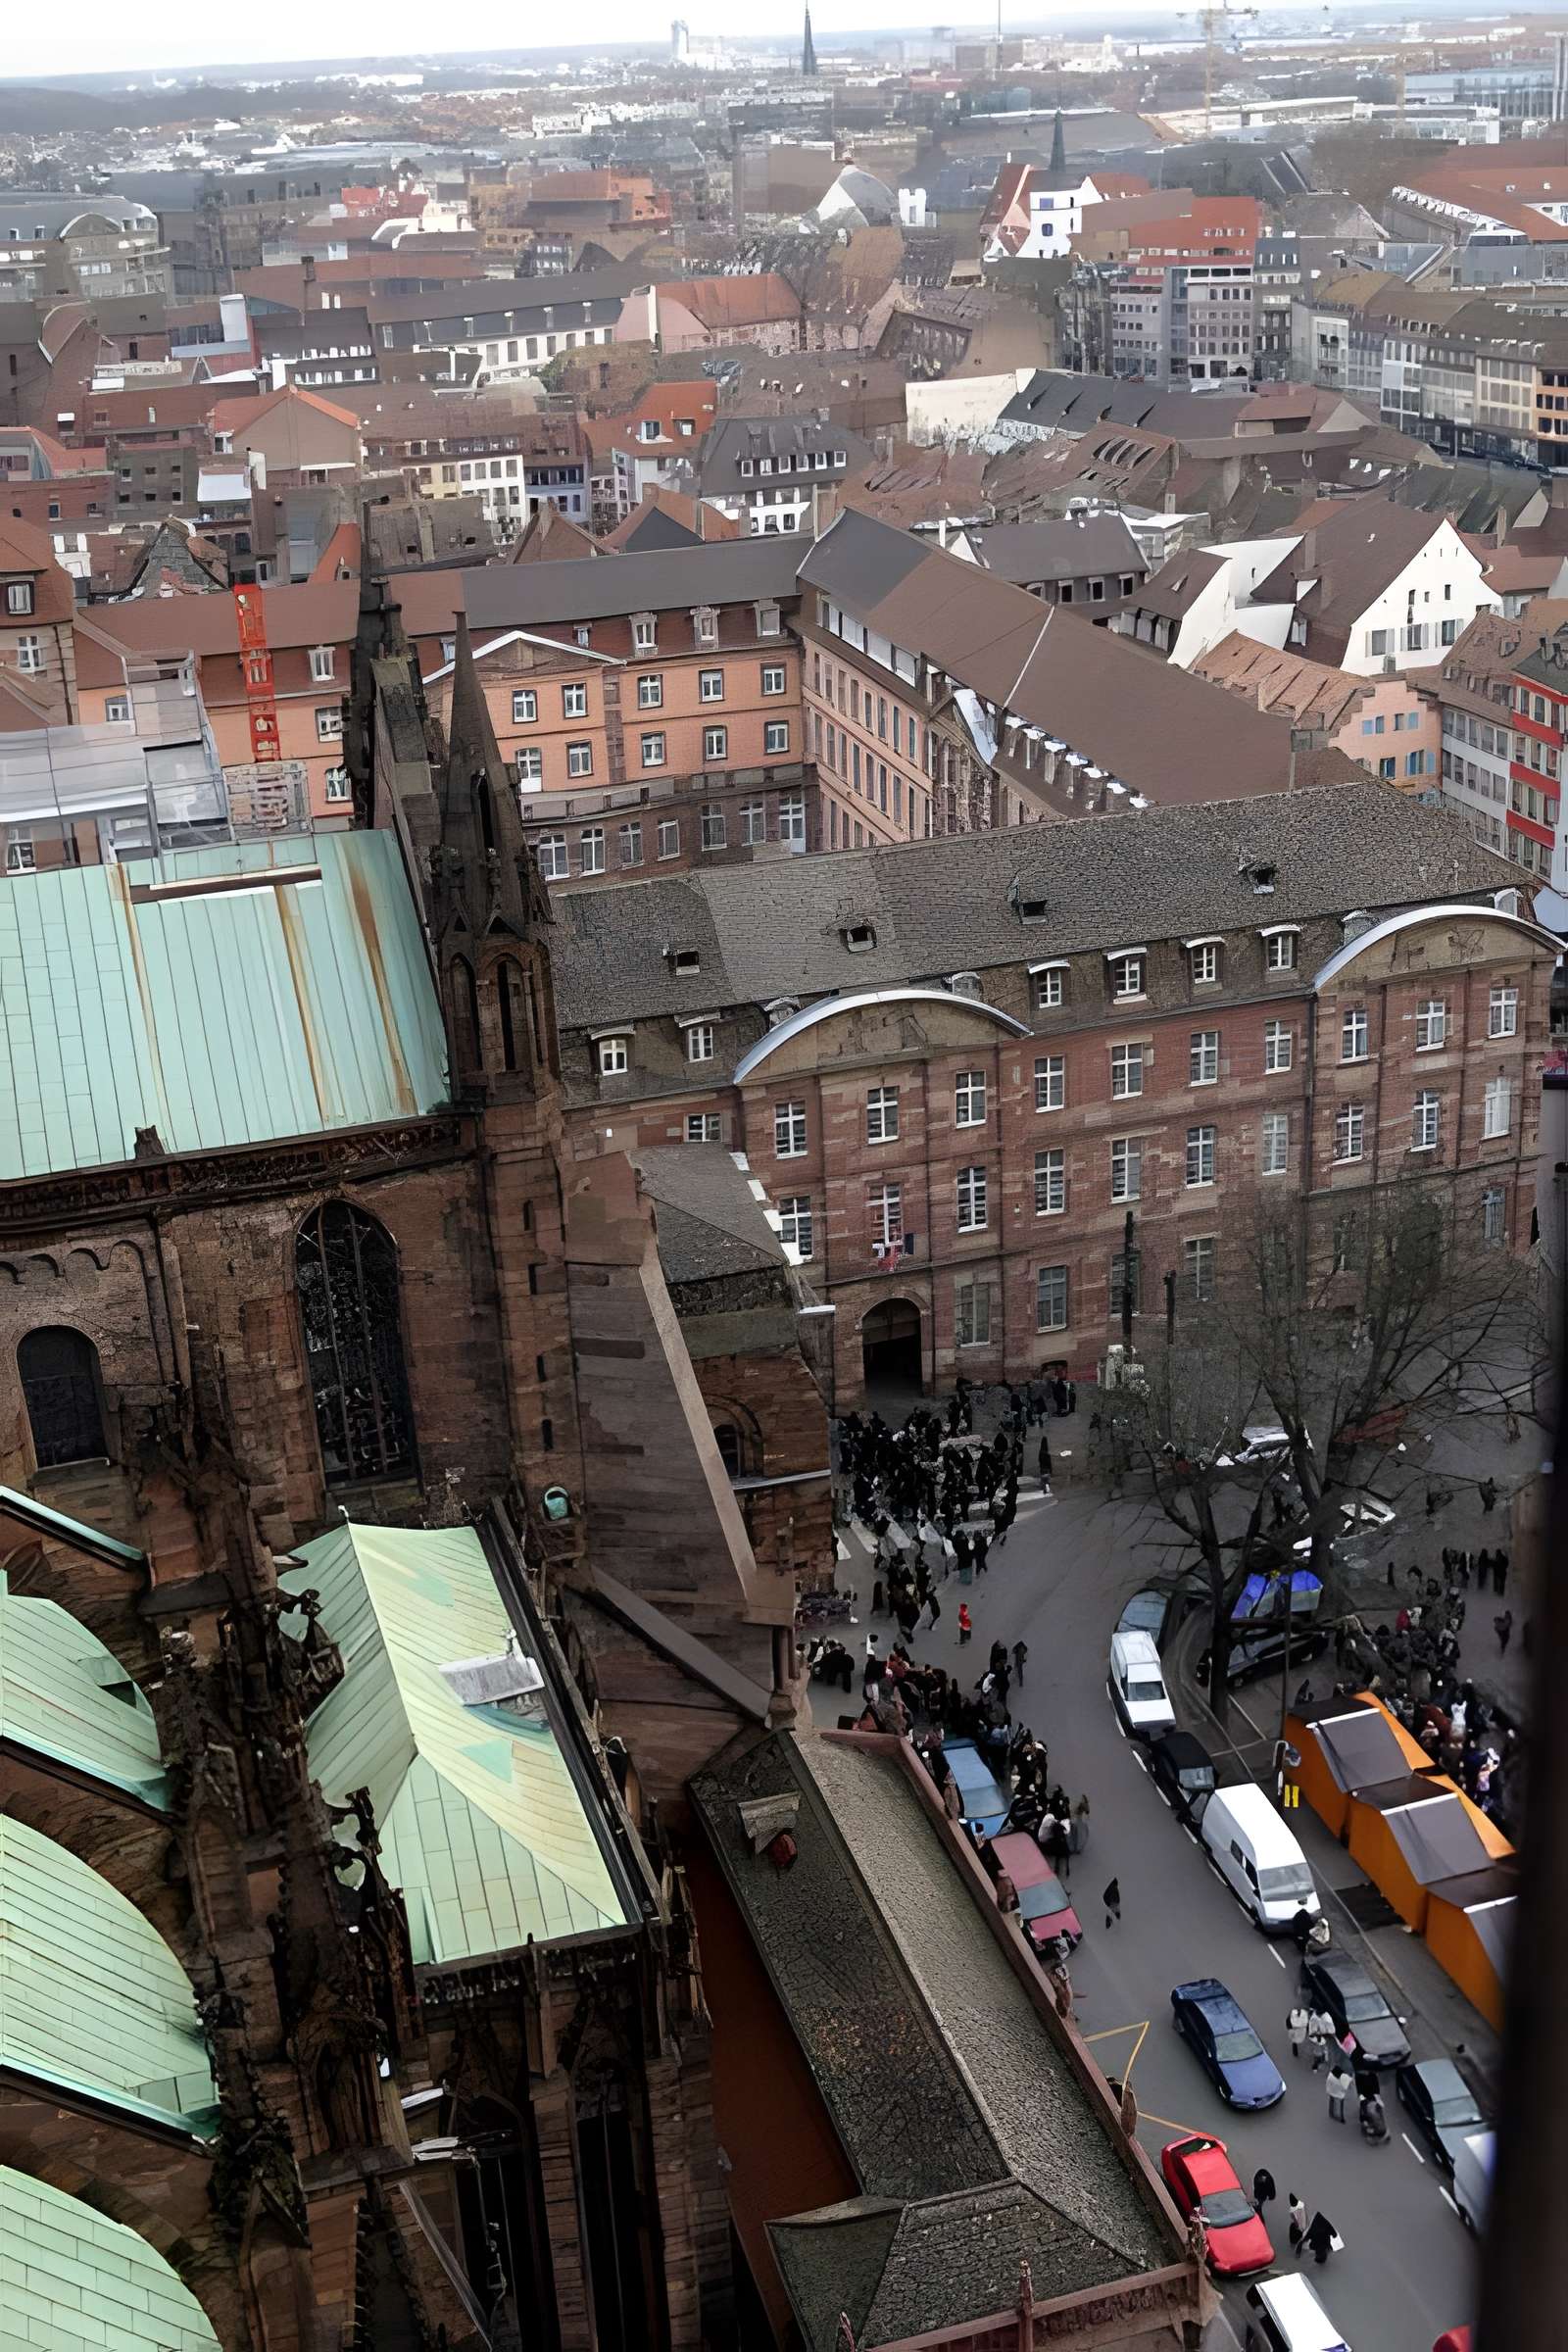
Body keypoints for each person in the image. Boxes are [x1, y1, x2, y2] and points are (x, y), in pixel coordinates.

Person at [1326, 2059, 1353, 2123]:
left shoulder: (1341, 2060)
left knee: (1332, 2096)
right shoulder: (1348, 2068)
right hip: (1338, 2080)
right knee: (1341, 2098)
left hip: (1331, 2078)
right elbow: (1346, 2085)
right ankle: (1341, 2117)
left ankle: (1331, 2113)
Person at [1307, 2007, 1335, 2071]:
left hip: (1321, 2039)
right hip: (1318, 2040)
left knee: (1322, 2050)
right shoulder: (1314, 2019)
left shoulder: (1324, 2018)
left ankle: (1322, 2060)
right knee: (1318, 2052)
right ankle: (1316, 2065)